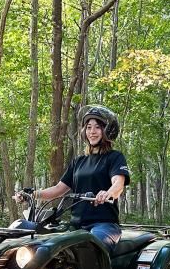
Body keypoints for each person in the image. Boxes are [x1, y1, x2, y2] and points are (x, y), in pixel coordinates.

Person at [15, 105, 130, 248]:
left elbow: (118, 184)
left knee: (90, 247)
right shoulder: (78, 161)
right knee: (24, 230)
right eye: (88, 127)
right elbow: (58, 189)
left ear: (108, 131)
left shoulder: (114, 157)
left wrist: (107, 193)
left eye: (97, 127)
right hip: (75, 225)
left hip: (104, 225)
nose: (92, 132)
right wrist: (32, 194)